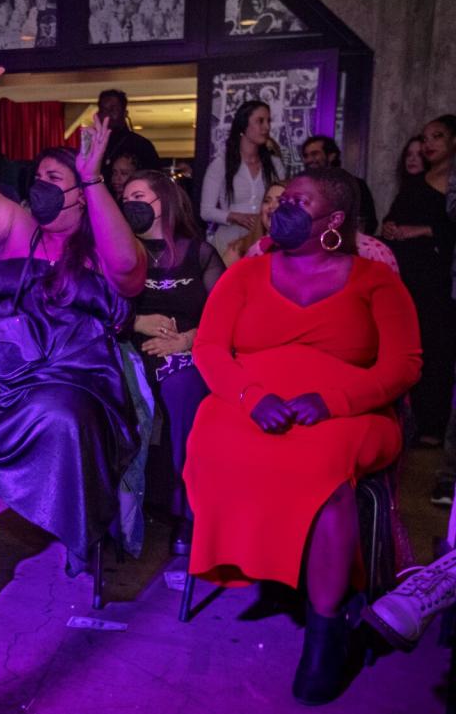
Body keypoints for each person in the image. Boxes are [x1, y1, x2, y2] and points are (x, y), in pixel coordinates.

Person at [0, 35, 146, 620]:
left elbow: (128, 273)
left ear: (81, 189)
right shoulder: (16, 229)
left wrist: (93, 182)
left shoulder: (100, 237)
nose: (38, 183)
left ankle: (67, 519)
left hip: (73, 376)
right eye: (35, 174)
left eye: (53, 177)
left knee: (59, 415)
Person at [184, 168, 422, 705]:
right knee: (215, 441)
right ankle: (273, 572)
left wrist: (334, 401)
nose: (283, 207)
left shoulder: (375, 281)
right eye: (282, 198)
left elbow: (405, 366)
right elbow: (211, 351)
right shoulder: (244, 275)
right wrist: (251, 398)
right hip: (250, 404)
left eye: (299, 200)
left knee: (320, 471)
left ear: (334, 218)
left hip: (349, 413)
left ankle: (325, 633)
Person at [119, 170, 225, 555]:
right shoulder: (121, 254)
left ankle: (187, 513)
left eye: (140, 196)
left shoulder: (200, 253)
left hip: (188, 353)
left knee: (184, 394)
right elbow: (100, 310)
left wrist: (187, 340)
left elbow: (225, 314)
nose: (130, 204)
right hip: (132, 352)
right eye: (126, 197)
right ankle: (124, 506)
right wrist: (136, 324)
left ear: (164, 201)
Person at [382, 115, 456, 453]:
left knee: (438, 349)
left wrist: (423, 231)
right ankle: (406, 422)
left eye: (437, 136)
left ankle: (433, 427)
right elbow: (393, 218)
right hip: (407, 275)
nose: (429, 144)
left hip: (440, 279)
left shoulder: (452, 185)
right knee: (410, 346)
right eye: (426, 137)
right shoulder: (415, 183)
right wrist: (392, 229)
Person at [200, 100, 284, 257]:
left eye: (268, 121)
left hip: (264, 239)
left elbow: (284, 202)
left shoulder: (274, 164)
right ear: (243, 125)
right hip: (229, 240)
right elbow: (206, 211)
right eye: (260, 121)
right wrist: (234, 216)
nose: (266, 127)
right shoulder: (221, 164)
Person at [301, 135, 378, 235]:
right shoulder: (303, 187)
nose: (309, 160)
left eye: (314, 154)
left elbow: (368, 222)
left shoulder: (354, 184)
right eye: (306, 156)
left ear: (331, 156)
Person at [97, 89, 162, 181]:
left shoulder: (140, 145)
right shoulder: (92, 144)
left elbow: (154, 180)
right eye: (104, 110)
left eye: (113, 109)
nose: (108, 114)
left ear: (125, 113)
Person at [222, 180, 286, 266]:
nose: (271, 205)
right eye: (267, 201)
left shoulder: (301, 251)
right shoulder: (241, 247)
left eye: (280, 201)